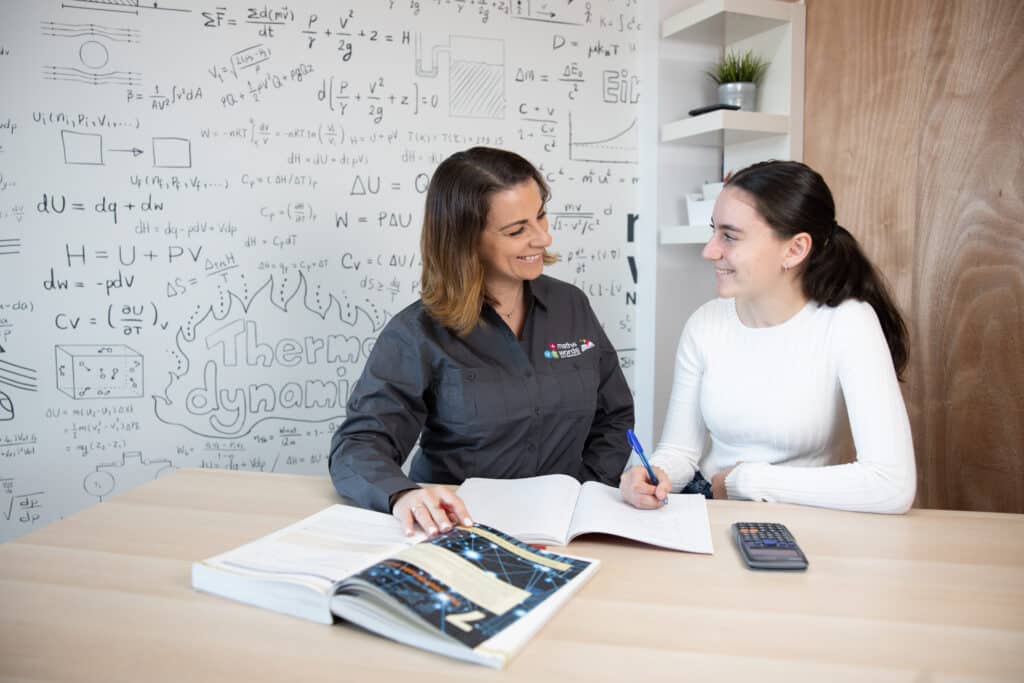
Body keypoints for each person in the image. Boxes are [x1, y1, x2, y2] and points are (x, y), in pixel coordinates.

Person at [330, 147, 634, 535]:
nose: (543, 237)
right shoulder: (416, 333)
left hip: (566, 528)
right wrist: (401, 494)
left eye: (540, 214)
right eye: (516, 230)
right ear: (466, 239)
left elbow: (614, 416)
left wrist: (587, 491)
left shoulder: (570, 305)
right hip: (463, 530)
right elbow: (359, 445)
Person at [621, 160, 916, 514]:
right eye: (713, 231)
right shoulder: (706, 323)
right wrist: (651, 474)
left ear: (794, 250)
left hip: (811, 525)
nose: (709, 251)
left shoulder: (848, 323)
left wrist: (744, 481)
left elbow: (892, 484)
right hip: (716, 514)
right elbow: (681, 451)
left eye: (729, 236)